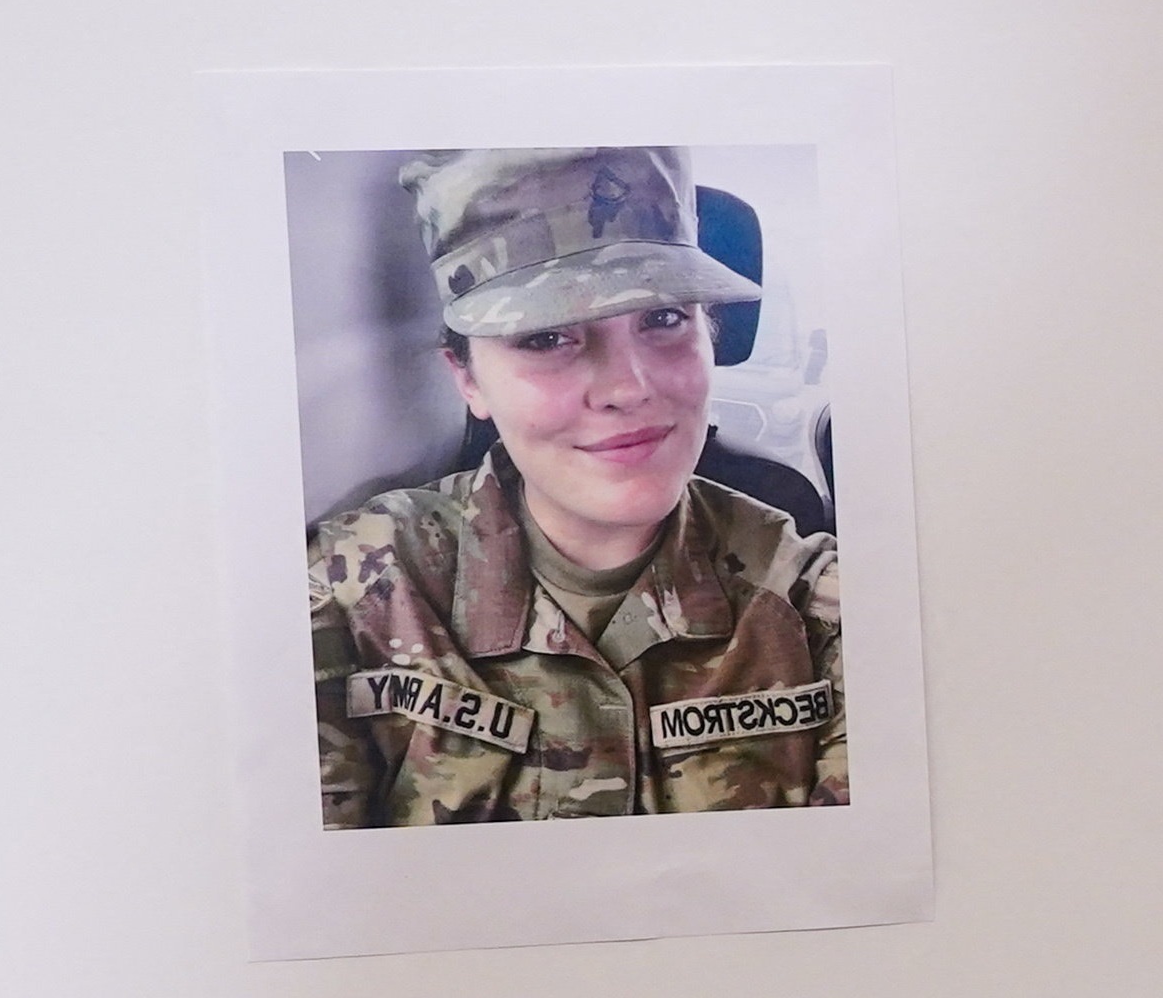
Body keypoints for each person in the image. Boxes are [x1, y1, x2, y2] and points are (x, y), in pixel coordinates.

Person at [306, 145, 844, 827]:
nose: (627, 387)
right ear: (467, 377)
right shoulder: (356, 591)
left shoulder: (817, 608)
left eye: (665, 319)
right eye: (546, 337)